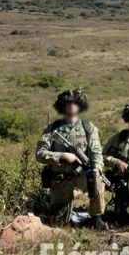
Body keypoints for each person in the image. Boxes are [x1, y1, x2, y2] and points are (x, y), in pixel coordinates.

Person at [35, 89, 106, 228]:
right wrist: (62, 156)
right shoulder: (53, 128)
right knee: (59, 222)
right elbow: (40, 154)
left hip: (82, 175)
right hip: (60, 178)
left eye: (75, 103)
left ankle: (96, 217)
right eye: (68, 103)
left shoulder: (88, 128)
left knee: (97, 180)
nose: (71, 106)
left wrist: (97, 168)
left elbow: (96, 152)